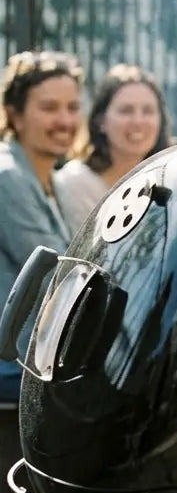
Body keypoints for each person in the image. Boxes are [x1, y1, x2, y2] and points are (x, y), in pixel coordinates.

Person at [0, 50, 83, 402]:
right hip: (13, 367)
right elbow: (60, 278)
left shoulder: (51, 181)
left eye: (72, 107)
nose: (64, 120)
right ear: (15, 115)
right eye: (49, 108)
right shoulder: (8, 178)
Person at [54, 63, 172, 233]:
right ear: (101, 121)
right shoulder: (75, 183)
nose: (138, 121)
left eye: (148, 111)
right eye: (126, 111)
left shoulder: (171, 183)